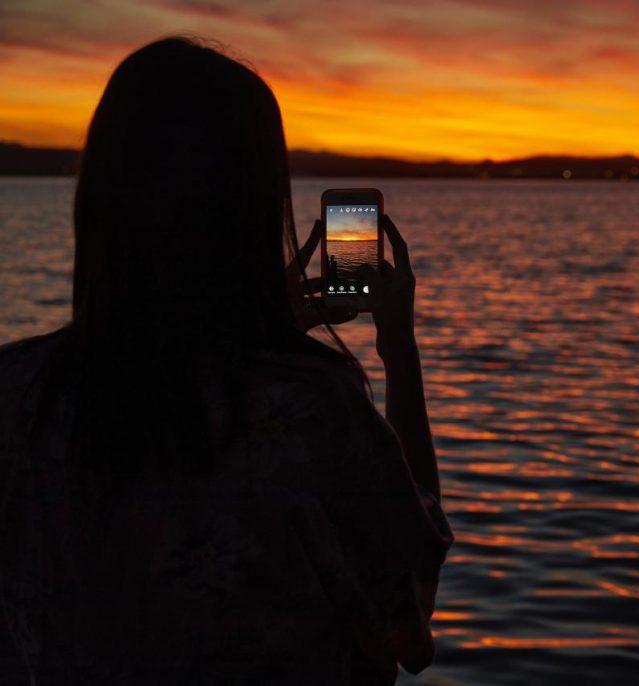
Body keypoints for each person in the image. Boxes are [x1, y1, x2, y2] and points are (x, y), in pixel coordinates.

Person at [0, 36, 453, 684]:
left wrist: (260, 328)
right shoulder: (307, 413)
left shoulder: (14, 394)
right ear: (250, 203)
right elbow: (409, 618)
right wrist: (398, 349)